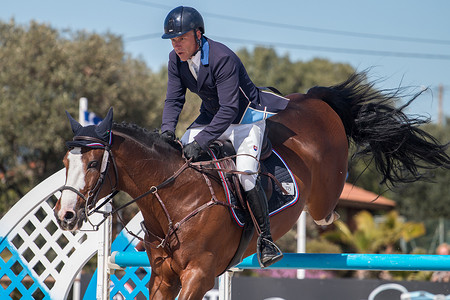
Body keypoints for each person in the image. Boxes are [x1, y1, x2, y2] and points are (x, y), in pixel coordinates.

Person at [159, 6, 289, 267]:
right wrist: (167, 131)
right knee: (176, 159)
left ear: (198, 34)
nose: (176, 45)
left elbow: (230, 108)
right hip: (211, 117)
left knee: (245, 172)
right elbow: (174, 98)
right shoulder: (175, 60)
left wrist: (202, 142)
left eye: (181, 38)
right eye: (173, 40)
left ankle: (266, 239)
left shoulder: (222, 58)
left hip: (244, 120)